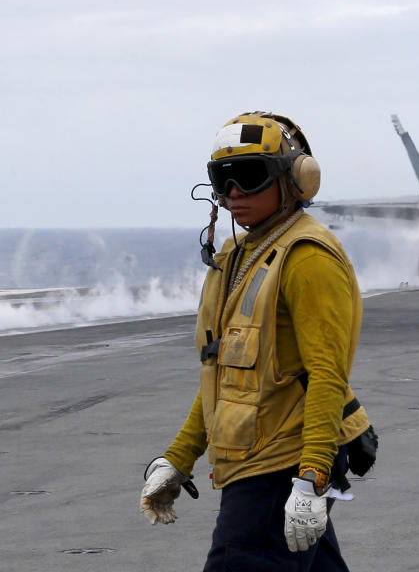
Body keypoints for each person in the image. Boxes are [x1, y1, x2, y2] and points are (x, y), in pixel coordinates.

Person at [139, 111, 377, 571]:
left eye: (249, 177)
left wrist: (311, 478)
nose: (232, 194)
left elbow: (328, 375)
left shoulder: (307, 258)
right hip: (255, 456)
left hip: (280, 462)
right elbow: (223, 373)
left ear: (296, 178)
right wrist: (180, 456)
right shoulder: (238, 256)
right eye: (222, 179)